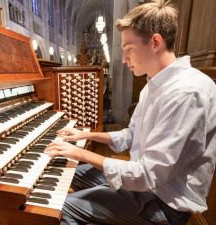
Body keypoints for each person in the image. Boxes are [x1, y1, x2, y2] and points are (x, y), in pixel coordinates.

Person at [45, 0, 216, 225]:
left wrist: (81, 153)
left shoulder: (186, 92)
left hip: (163, 203)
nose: (124, 59)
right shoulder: (154, 85)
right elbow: (130, 136)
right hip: (146, 186)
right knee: (59, 168)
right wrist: (86, 136)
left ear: (155, 42)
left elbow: (146, 175)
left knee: (58, 209)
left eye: (128, 49)